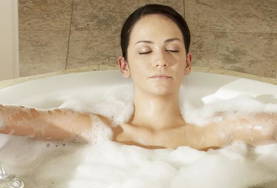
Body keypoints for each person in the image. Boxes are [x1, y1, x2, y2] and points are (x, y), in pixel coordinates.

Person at [0, 4, 276, 151]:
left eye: (172, 49)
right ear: (124, 65)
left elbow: (269, 127)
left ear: (187, 62)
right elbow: (19, 119)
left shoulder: (213, 131)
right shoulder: (94, 128)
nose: (160, 60)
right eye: (145, 51)